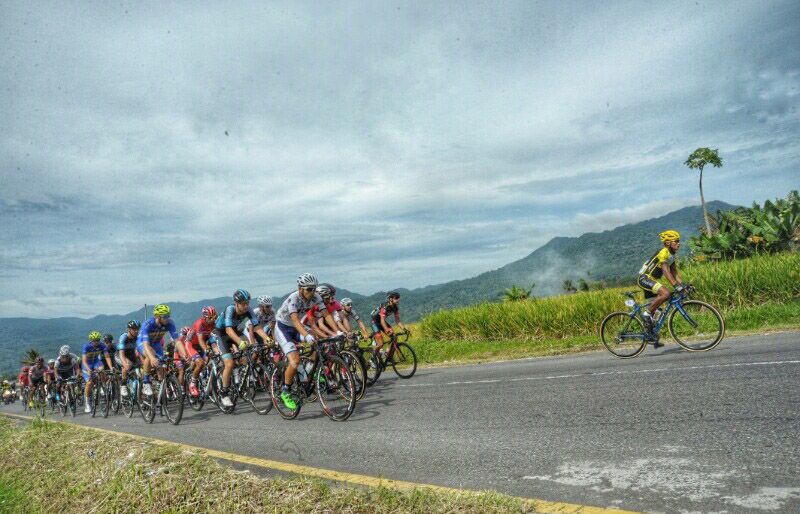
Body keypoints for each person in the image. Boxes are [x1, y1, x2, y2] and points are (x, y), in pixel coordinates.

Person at [273, 273, 338, 410]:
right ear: (300, 288)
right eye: (309, 289)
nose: (312, 292)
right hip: (283, 328)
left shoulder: (316, 297)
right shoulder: (294, 298)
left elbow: (326, 314)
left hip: (298, 327)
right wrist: (306, 336)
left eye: (314, 289)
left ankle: (307, 371)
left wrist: (337, 331)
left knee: (319, 343)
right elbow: (296, 320)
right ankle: (285, 391)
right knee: (295, 361)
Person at [213, 290, 271, 408]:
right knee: (229, 363)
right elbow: (228, 330)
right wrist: (240, 342)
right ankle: (224, 393)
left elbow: (257, 327)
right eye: (243, 303)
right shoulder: (230, 309)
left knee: (248, 355)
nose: (246, 306)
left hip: (235, 332)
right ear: (236, 303)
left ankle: (242, 382)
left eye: (247, 303)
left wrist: (267, 338)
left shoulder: (249, 310)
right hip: (221, 334)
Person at [637, 230, 686, 347]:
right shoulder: (663, 252)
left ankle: (650, 335)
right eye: (676, 241)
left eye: (679, 241)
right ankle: (646, 313)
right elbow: (666, 271)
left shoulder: (672, 255)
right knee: (666, 293)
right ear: (668, 243)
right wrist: (675, 286)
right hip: (644, 278)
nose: (679, 243)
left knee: (657, 311)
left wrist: (683, 285)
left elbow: (674, 272)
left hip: (651, 280)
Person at [136, 304, 179, 398]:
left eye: (169, 315)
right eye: (165, 316)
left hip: (156, 344)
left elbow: (177, 341)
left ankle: (160, 387)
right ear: (158, 317)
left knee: (162, 363)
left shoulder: (170, 323)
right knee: (149, 355)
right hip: (143, 343)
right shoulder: (148, 324)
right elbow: (146, 345)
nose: (168, 318)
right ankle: (146, 383)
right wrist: (152, 358)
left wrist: (185, 355)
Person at [184, 306, 216, 398]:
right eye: (210, 317)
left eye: (214, 317)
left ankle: (207, 381)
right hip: (191, 344)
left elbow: (213, 338)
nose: (212, 319)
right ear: (205, 317)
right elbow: (201, 340)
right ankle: (192, 384)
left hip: (201, 344)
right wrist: (206, 349)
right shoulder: (200, 323)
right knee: (200, 363)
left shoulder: (213, 323)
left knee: (211, 362)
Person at [82, 331, 114, 413]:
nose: (96, 342)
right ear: (91, 340)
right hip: (87, 364)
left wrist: (111, 367)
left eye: (97, 340)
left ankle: (103, 388)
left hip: (96, 362)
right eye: (94, 340)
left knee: (102, 370)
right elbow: (84, 360)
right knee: (89, 383)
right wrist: (88, 370)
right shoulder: (86, 347)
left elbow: (107, 357)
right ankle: (87, 402)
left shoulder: (102, 345)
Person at [370, 291, 407, 357]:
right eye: (396, 298)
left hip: (382, 322)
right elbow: (382, 321)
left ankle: (388, 354)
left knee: (394, 338)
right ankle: (372, 358)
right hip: (375, 322)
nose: (398, 299)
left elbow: (398, 321)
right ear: (391, 299)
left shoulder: (395, 308)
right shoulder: (385, 307)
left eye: (398, 298)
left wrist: (405, 329)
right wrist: (386, 329)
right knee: (380, 344)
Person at [116, 320, 141, 397]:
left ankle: (139, 390)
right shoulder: (124, 337)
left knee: (141, 370)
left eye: (137, 329)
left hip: (131, 356)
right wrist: (125, 364)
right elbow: (121, 354)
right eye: (134, 329)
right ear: (129, 329)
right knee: (127, 365)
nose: (136, 331)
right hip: (120, 356)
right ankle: (123, 386)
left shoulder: (138, 337)